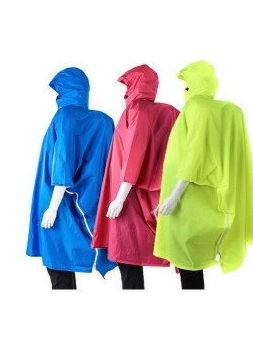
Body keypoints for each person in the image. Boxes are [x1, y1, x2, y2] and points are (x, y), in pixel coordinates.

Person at [153, 61, 253, 288]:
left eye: (186, 86)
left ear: (193, 85)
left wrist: (173, 197)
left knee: (189, 263)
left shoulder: (195, 107)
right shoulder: (229, 111)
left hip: (188, 199)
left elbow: (194, 156)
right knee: (192, 265)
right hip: (215, 197)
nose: (184, 92)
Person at [26, 67, 116, 289]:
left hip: (59, 202)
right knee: (62, 264)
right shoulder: (102, 121)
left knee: (57, 264)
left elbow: (63, 163)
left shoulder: (64, 116)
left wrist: (52, 208)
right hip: (85, 200)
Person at [92, 65, 179, 290]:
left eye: (128, 86)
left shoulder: (138, 110)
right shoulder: (163, 112)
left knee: (127, 257)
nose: (125, 93)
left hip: (128, 199)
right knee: (128, 258)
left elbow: (134, 154)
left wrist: (120, 198)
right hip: (134, 194)